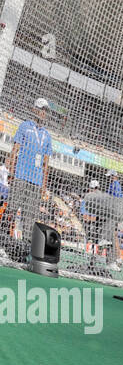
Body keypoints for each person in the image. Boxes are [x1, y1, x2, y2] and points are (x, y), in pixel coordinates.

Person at [5, 97, 54, 258]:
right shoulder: (24, 126)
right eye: (41, 109)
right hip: (20, 176)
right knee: (11, 210)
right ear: (34, 109)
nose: (43, 113)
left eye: (46, 110)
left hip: (36, 182)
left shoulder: (47, 136)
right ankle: (2, 243)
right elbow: (14, 150)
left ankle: (24, 252)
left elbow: (46, 164)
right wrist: (11, 172)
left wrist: (43, 186)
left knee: (29, 219)